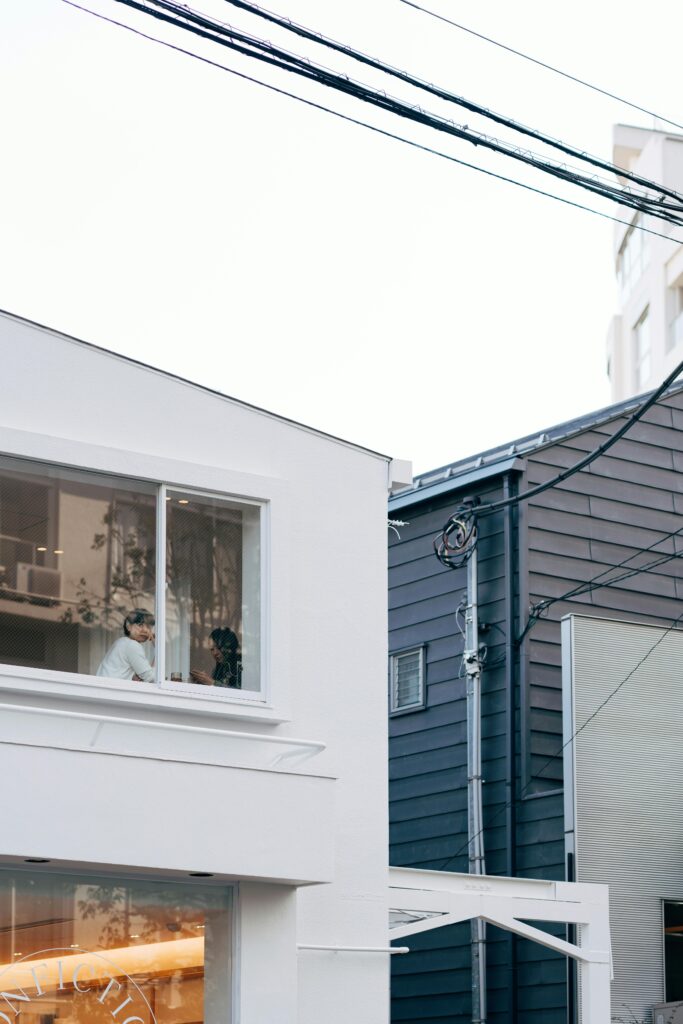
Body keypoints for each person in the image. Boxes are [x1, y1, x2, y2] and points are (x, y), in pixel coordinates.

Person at [96, 610, 156, 683]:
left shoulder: (122, 642)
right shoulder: (131, 645)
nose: (146, 630)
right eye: (140, 625)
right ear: (128, 626)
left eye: (149, 627)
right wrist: (158, 648)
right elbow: (151, 678)